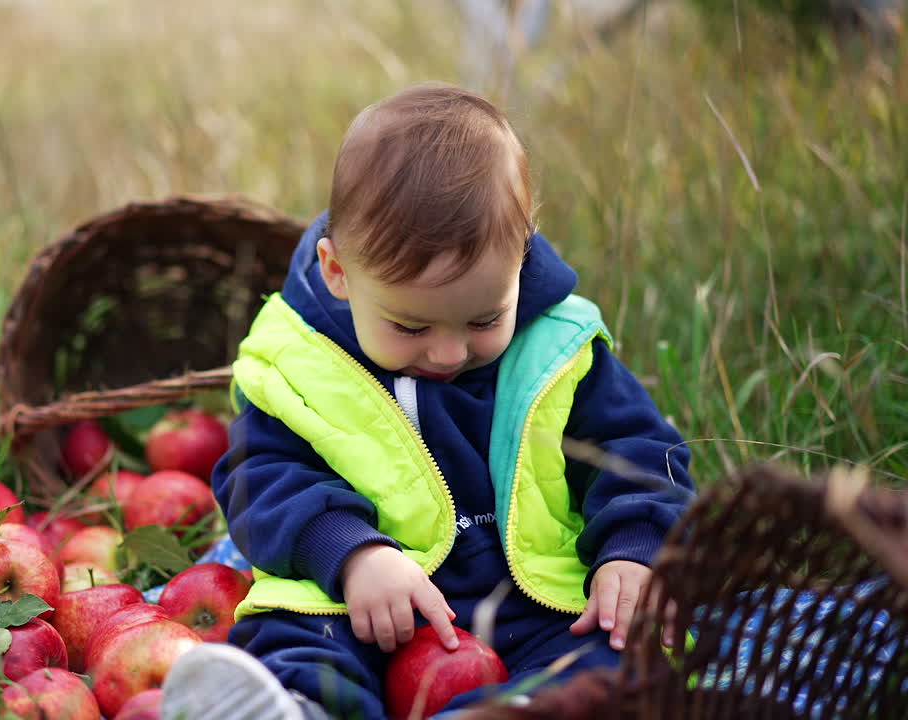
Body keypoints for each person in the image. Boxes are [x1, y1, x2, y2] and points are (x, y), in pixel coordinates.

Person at [161, 82, 695, 720]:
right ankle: (301, 708)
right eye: (411, 327)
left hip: (539, 602)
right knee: (298, 638)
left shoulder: (559, 346)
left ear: (521, 257)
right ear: (337, 272)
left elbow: (637, 449)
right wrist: (350, 552)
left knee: (620, 652)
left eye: (482, 319)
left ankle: (511, 710)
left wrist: (633, 551)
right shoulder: (301, 363)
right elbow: (257, 477)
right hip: (361, 603)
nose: (448, 353)